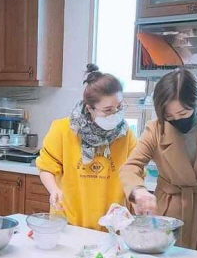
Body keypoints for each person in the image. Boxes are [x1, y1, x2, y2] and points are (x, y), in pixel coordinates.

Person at [120, 68, 197, 250]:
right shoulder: (155, 128)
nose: (177, 120)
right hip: (167, 214)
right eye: (169, 116)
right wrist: (139, 191)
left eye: (183, 114)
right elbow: (130, 167)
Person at [36, 64, 137, 230]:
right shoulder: (63, 129)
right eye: (107, 110)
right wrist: (53, 190)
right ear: (90, 108)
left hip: (110, 226)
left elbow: (135, 171)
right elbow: (46, 167)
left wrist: (138, 195)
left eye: (119, 107)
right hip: (67, 223)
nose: (115, 114)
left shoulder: (125, 135)